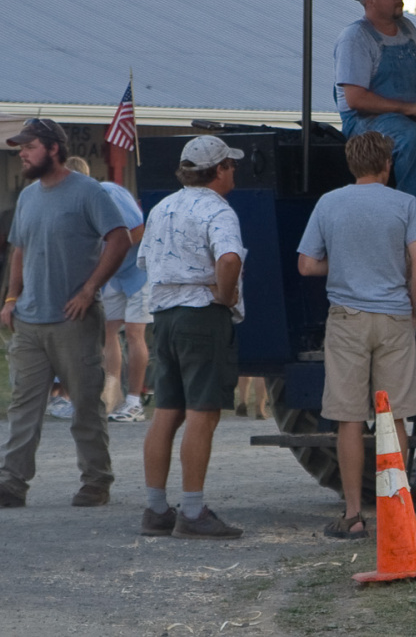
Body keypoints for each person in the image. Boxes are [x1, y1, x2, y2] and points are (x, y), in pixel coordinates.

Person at [297, 131, 416, 540]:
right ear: (387, 164)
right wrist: (412, 313)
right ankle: (396, 509)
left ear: (351, 164)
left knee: (349, 419)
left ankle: (354, 514)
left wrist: (340, 267)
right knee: (396, 418)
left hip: (347, 319)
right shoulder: (405, 204)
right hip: (393, 317)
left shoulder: (329, 203)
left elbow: (306, 265)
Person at [0, 119, 130, 509]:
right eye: (20, 147)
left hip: (74, 320)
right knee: (23, 405)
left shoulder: (88, 191)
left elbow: (119, 238)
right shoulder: (28, 196)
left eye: (29, 146)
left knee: (85, 402)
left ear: (53, 148)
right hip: (29, 321)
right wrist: (10, 299)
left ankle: (96, 481)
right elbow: (19, 248)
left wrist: (90, 290)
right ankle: (11, 483)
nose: (22, 153)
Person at [136, 135, 246, 539]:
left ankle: (155, 508)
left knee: (167, 410)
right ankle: (194, 511)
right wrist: (225, 291)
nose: (234, 171)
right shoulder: (218, 210)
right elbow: (230, 257)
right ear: (218, 170)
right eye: (230, 165)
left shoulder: (163, 207)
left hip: (163, 314)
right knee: (204, 411)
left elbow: (147, 259)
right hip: (201, 314)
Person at [334, 0, 416, 211]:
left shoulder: (407, 29)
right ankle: (412, 220)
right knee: (409, 138)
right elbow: (356, 99)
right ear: (370, 0)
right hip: (365, 122)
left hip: (411, 117)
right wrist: (411, 108)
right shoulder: (356, 37)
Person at [99, 179, 152, 423]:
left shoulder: (109, 192)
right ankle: (113, 395)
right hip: (113, 274)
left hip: (139, 271)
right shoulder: (76, 200)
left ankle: (134, 402)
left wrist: (116, 250)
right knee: (108, 332)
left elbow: (141, 228)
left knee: (133, 333)